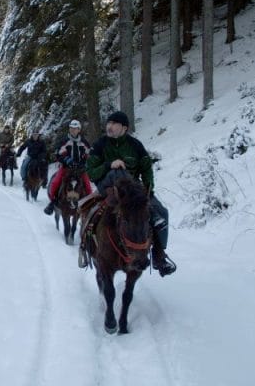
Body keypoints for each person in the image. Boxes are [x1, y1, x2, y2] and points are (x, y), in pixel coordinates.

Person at [86, 111, 177, 277]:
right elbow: (91, 171)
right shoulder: (100, 145)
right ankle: (86, 246)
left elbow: (146, 167)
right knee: (89, 212)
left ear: (124, 128)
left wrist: (148, 190)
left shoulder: (135, 145)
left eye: (114, 123)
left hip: (135, 191)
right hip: (108, 187)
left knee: (162, 212)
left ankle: (159, 255)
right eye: (109, 123)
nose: (109, 126)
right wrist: (108, 165)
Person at [43, 120, 93, 215]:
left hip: (80, 169)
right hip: (67, 168)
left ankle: (88, 205)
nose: (73, 130)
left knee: (88, 185)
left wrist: (84, 162)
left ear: (79, 130)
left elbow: (89, 155)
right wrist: (67, 160)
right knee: (55, 182)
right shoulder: (64, 141)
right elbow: (58, 154)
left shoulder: (84, 142)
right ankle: (53, 202)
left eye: (75, 129)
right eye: (71, 128)